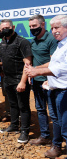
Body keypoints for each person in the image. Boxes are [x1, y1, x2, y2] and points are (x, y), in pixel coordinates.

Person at [25, 14, 67, 158]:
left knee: (60, 119)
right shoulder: (57, 43)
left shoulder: (56, 41)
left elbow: (59, 67)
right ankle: (50, 140)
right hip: (46, 84)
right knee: (47, 113)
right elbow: (53, 64)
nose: (54, 30)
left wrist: (36, 71)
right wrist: (36, 74)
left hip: (59, 87)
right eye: (52, 28)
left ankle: (58, 144)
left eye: (57, 27)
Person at [28, 15, 59, 147]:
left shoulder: (52, 39)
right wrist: (30, 73)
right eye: (30, 26)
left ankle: (58, 141)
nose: (32, 28)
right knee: (40, 109)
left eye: (34, 26)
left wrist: (36, 69)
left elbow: (54, 62)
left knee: (54, 112)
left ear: (42, 25)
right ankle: (45, 136)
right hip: (36, 82)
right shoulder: (33, 41)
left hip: (50, 82)